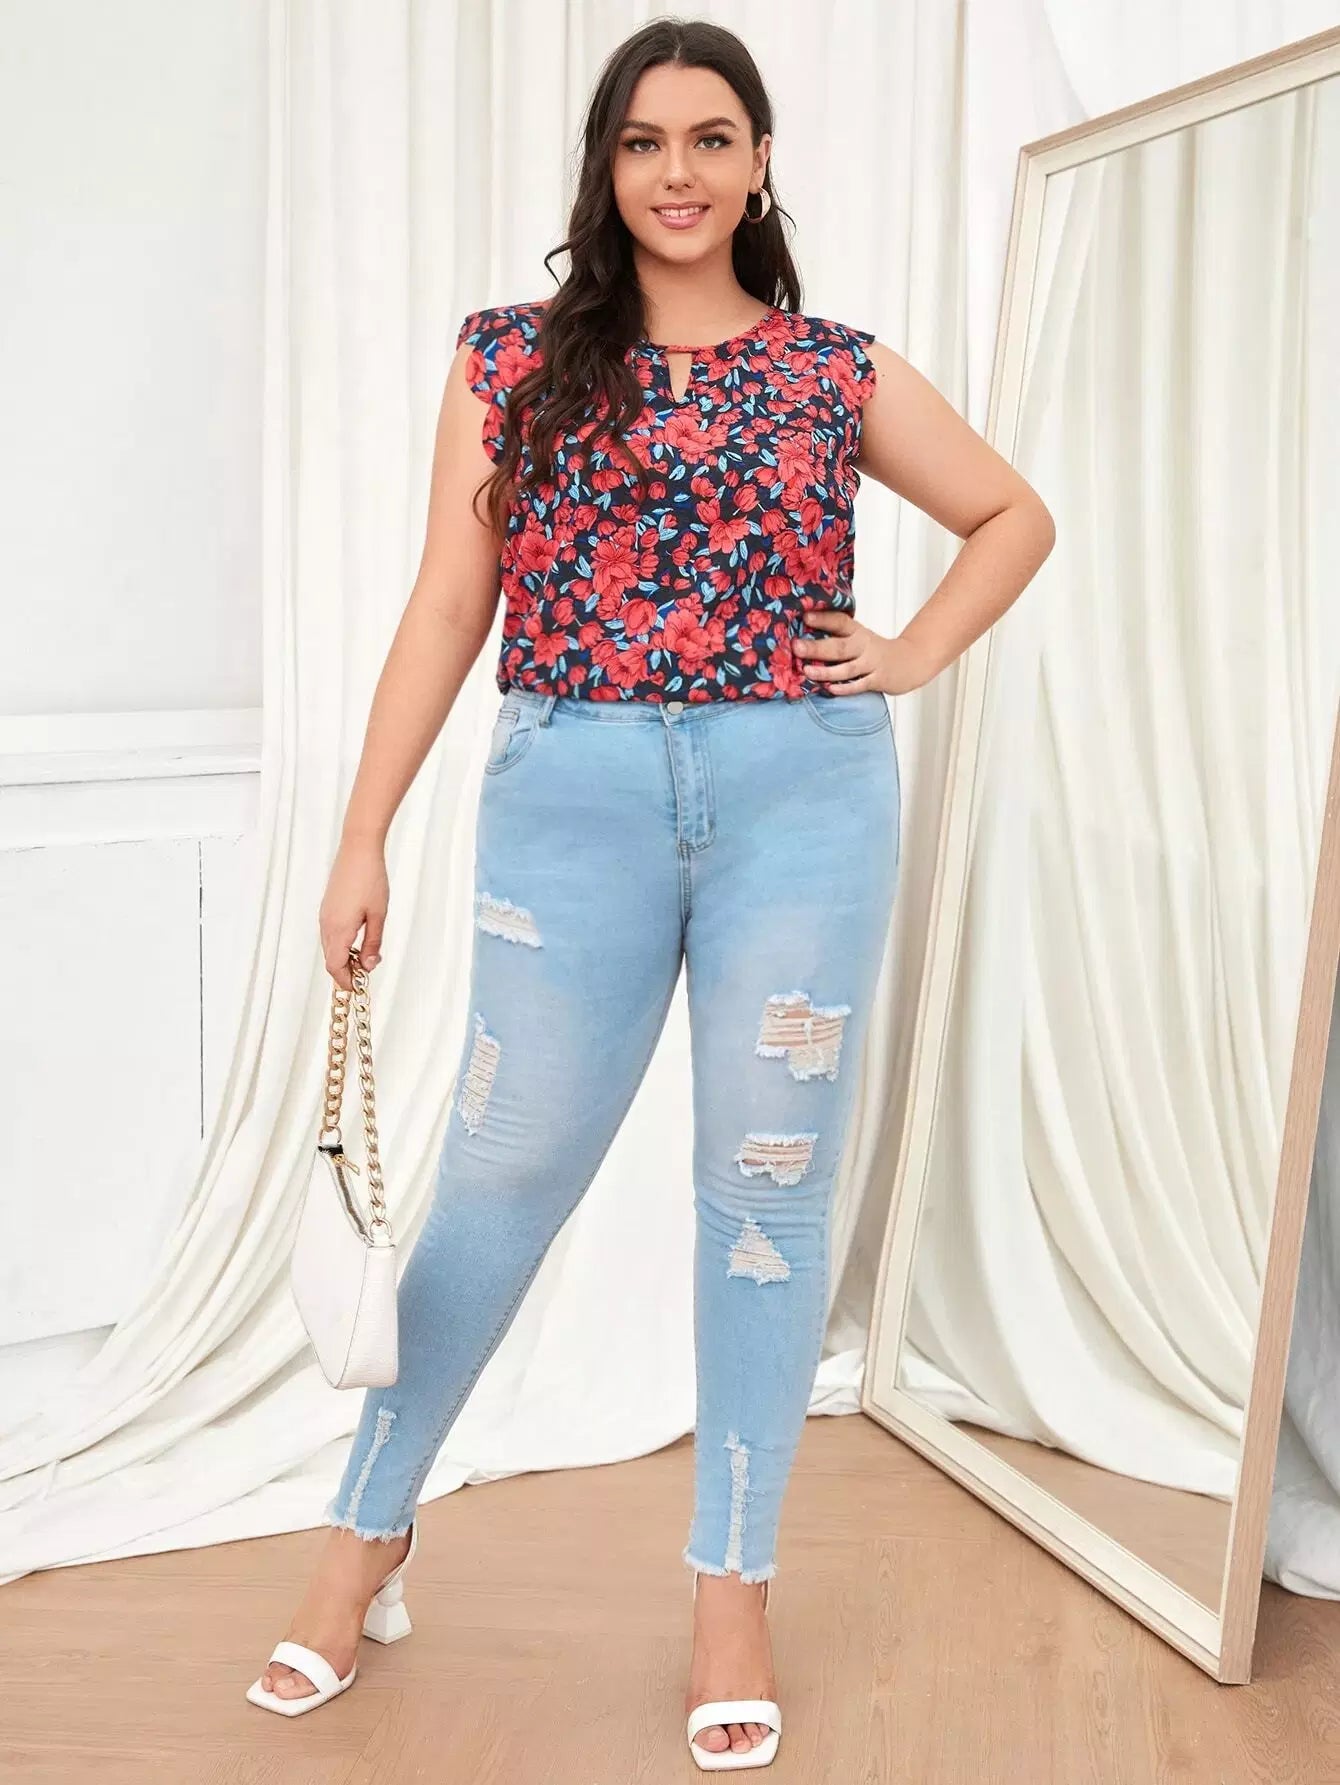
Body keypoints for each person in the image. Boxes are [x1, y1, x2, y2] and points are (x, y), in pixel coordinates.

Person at [246, 16, 1054, 1770]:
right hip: (573, 797)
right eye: (642, 141)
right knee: (502, 1172)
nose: (675, 172)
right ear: (604, 167)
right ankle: (365, 1531)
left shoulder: (833, 369)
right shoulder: (512, 358)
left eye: (709, 138)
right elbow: (448, 604)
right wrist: (363, 829)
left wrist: (911, 649)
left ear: (759, 165)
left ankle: (730, 1586)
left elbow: (1012, 514)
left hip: (802, 798)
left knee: (763, 1194)